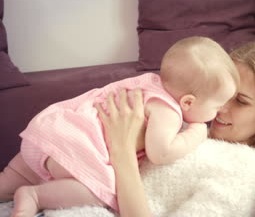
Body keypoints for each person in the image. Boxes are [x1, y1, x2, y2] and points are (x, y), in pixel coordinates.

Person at [0, 36, 239, 217]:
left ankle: (8, 184)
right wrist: (195, 134)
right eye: (217, 107)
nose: (218, 113)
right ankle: (35, 196)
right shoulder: (167, 110)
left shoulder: (146, 83)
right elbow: (160, 152)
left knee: (10, 179)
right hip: (78, 146)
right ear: (188, 101)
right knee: (103, 191)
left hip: (49, 131)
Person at [98, 41, 255, 217]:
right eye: (221, 95)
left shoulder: (244, 168)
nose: (220, 108)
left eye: (241, 101)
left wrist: (123, 152)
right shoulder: (185, 126)